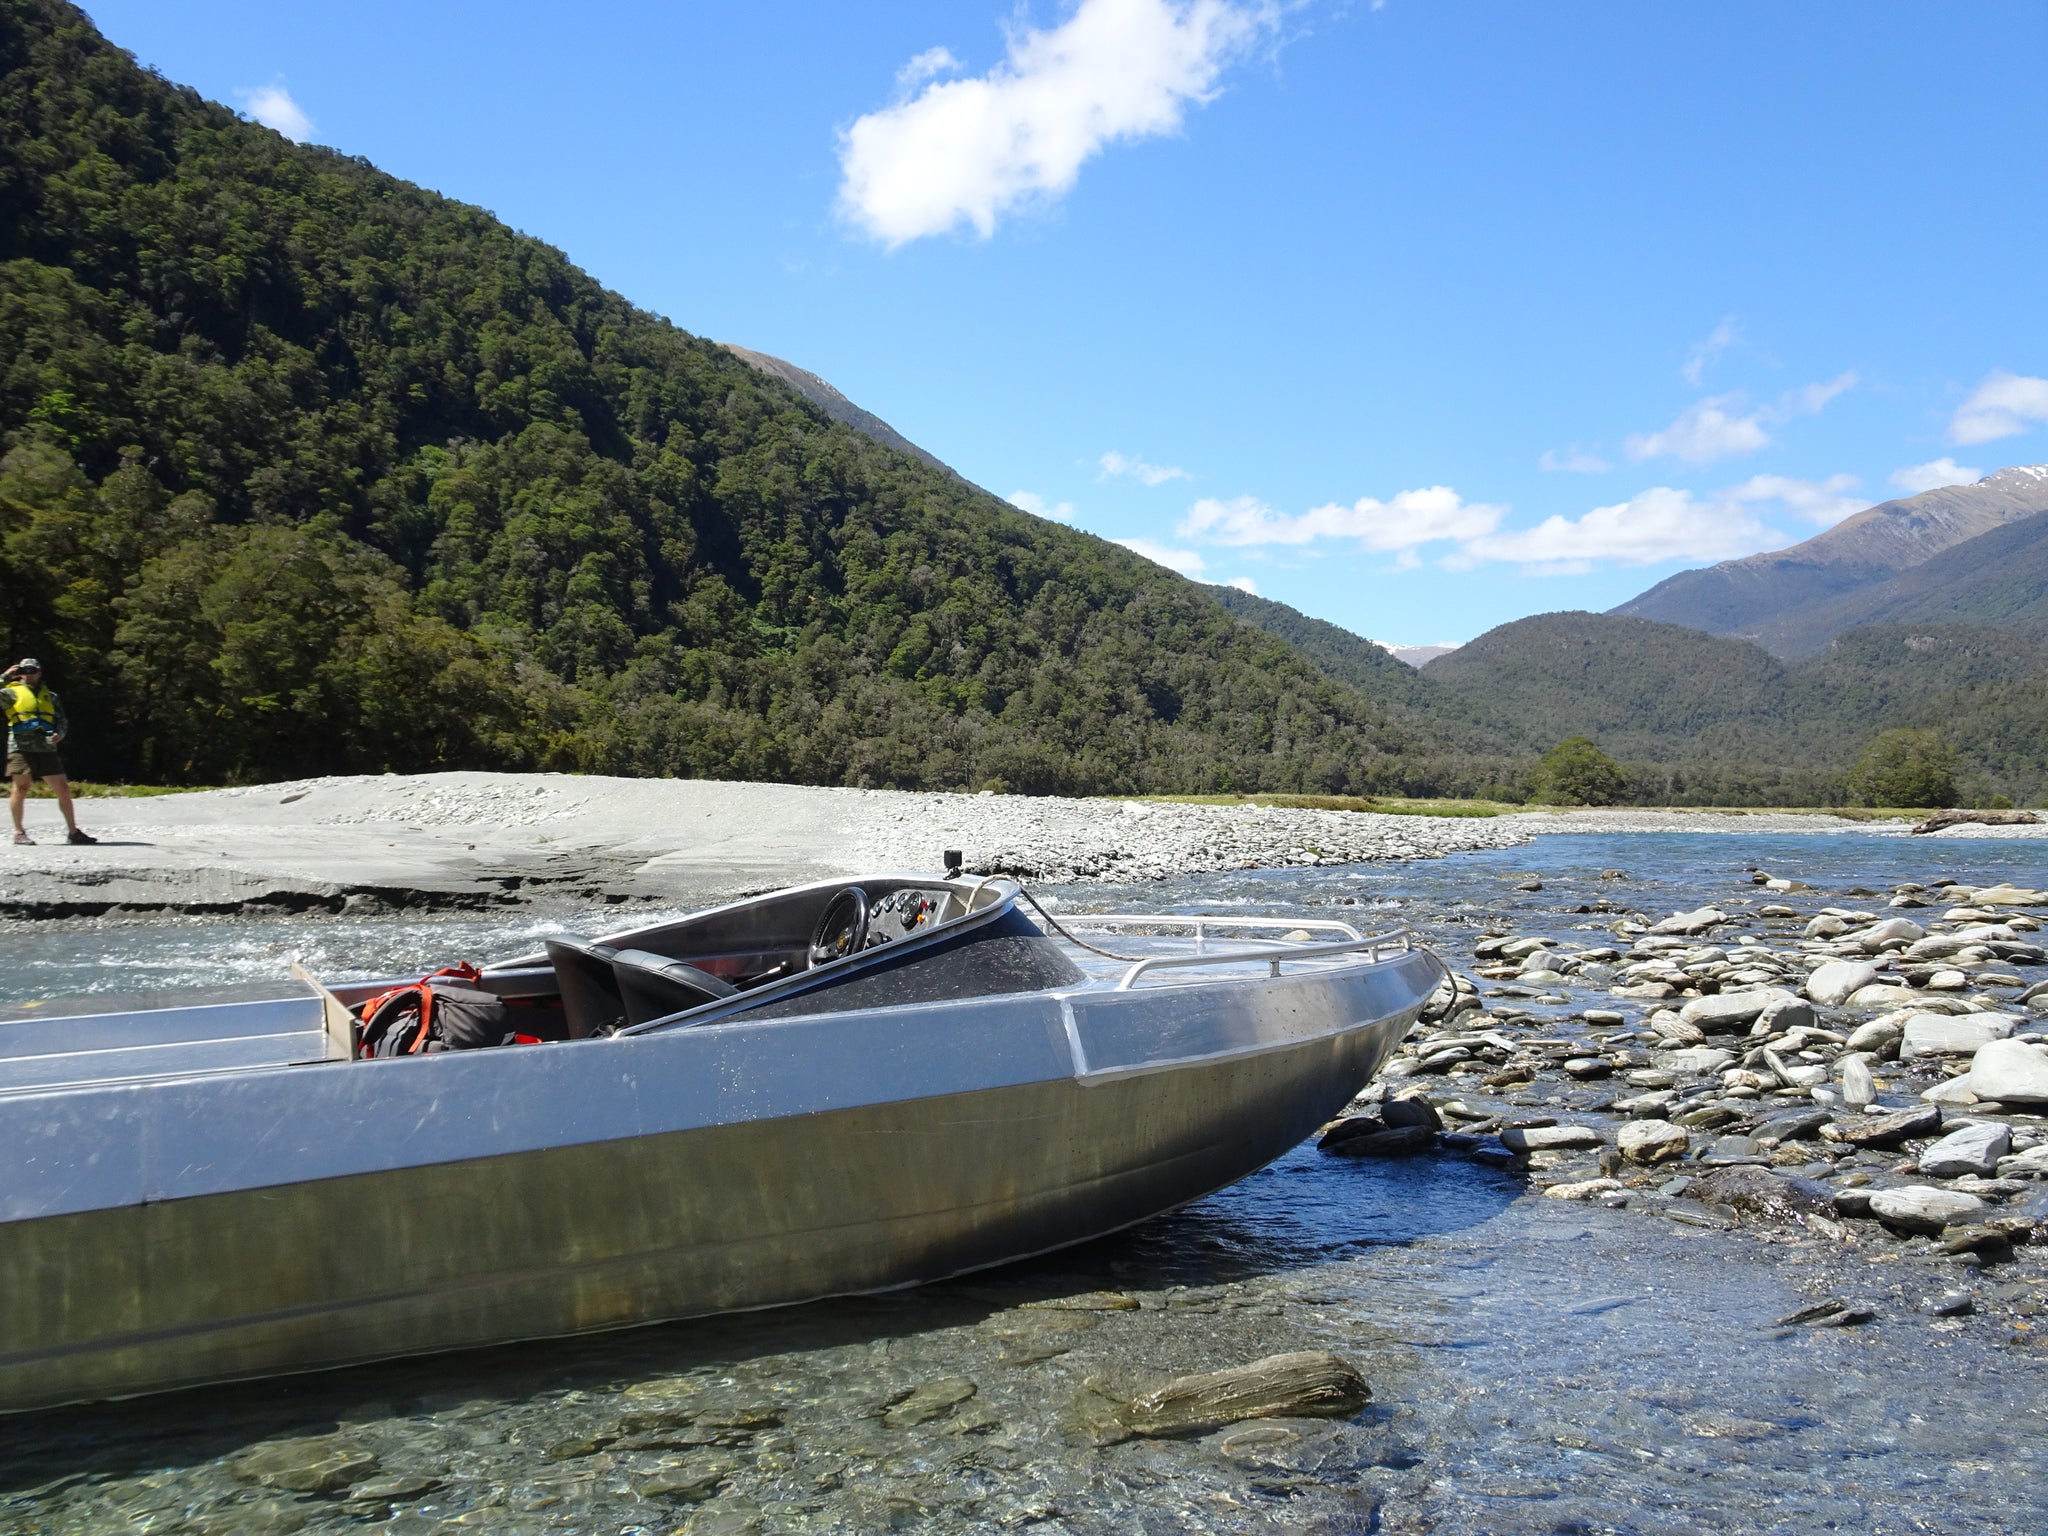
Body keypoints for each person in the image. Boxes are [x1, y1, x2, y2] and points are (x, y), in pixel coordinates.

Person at [4, 657, 95, 846]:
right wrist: (4, 676)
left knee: (62, 788)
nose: (29, 674)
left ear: (39, 672)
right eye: (25, 670)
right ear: (19, 672)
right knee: (21, 787)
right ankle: (19, 832)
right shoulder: (10, 692)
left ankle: (73, 832)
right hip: (21, 746)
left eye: (33, 670)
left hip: (46, 747)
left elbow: (62, 720)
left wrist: (59, 734)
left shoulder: (51, 696)